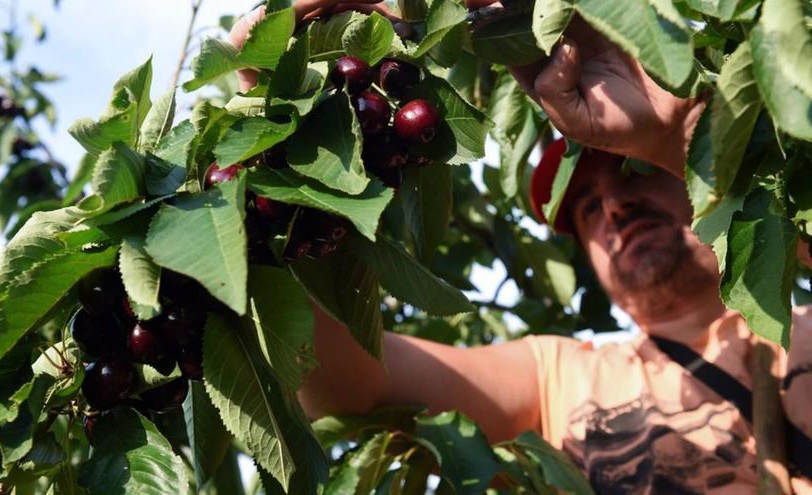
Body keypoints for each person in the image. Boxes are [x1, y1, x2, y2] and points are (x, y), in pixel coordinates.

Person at [227, 1, 812, 492]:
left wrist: (676, 135)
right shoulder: (556, 376)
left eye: (634, 175)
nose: (615, 207)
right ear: (583, 250)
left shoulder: (805, 328)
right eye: (587, 208)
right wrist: (287, 177)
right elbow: (357, 388)